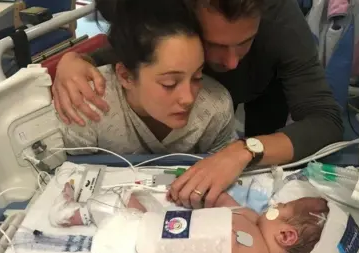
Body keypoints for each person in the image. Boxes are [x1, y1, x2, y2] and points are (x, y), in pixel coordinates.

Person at [51, 0, 344, 208]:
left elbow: (326, 120)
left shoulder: (279, 20)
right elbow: (132, 53)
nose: (231, 62)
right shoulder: (170, 19)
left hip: (262, 94)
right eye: (215, 44)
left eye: (245, 41)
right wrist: (75, 61)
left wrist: (245, 150)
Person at [58, 0, 236, 156]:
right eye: (169, 84)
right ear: (126, 76)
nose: (188, 98)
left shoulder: (214, 108)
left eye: (197, 77)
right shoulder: (86, 105)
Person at [25, 182, 328, 253]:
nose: (273, 206)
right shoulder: (250, 217)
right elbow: (221, 201)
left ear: (286, 235)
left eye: (280, 208)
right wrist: (205, 191)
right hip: (144, 224)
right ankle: (69, 213)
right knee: (123, 198)